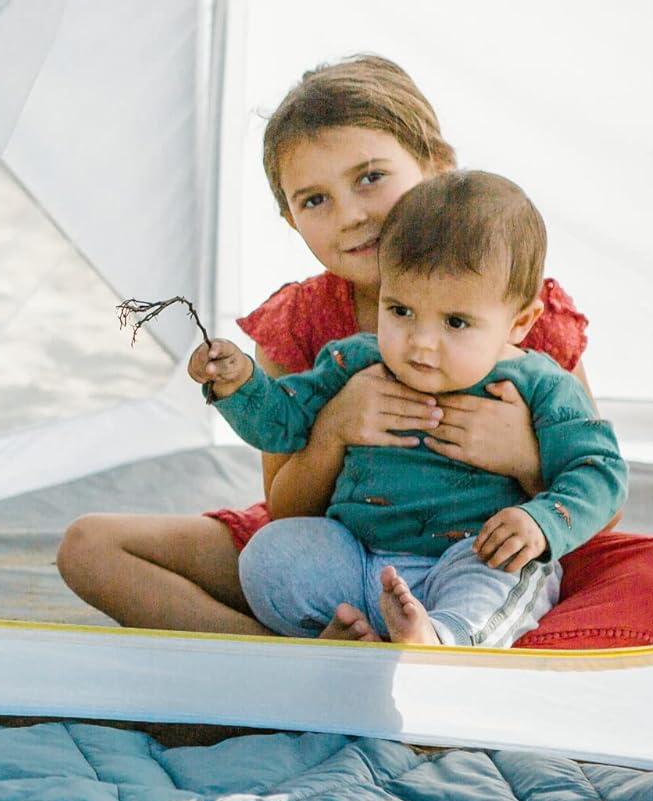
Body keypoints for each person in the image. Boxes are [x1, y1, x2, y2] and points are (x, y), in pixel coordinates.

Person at [56, 54, 653, 647]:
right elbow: (287, 510)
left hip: (484, 554)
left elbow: (599, 496)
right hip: (340, 546)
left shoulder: (515, 305)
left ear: (436, 166)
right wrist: (334, 429)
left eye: (370, 178)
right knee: (91, 546)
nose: (351, 215)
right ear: (289, 218)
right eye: (315, 199)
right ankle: (297, 667)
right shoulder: (302, 322)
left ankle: (455, 658)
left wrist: (523, 458)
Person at [194, 170, 626, 645]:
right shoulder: (356, 361)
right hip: (359, 559)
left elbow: (599, 472)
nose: (420, 343)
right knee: (271, 556)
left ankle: (436, 642)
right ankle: (355, 636)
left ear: (519, 322)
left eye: (456, 322)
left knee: (517, 574)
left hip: (473, 557)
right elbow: (283, 421)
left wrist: (540, 522)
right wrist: (238, 385)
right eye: (400, 310)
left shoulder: (541, 385)